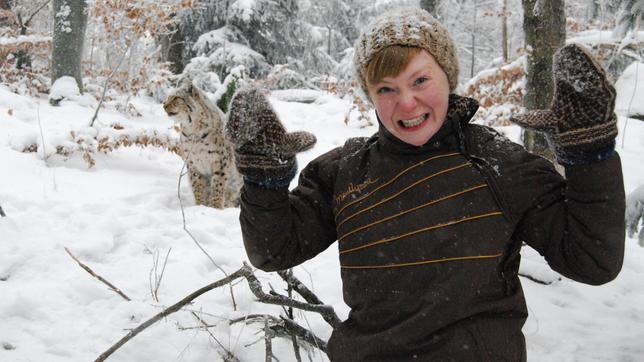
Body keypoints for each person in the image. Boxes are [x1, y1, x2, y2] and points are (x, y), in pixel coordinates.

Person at [225, 7, 625, 362]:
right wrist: (264, 179)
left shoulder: (498, 163)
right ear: (371, 96)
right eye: (387, 89)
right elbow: (273, 250)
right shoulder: (345, 172)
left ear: (448, 77)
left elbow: (592, 260)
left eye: (420, 80)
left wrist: (590, 155)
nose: (408, 103)